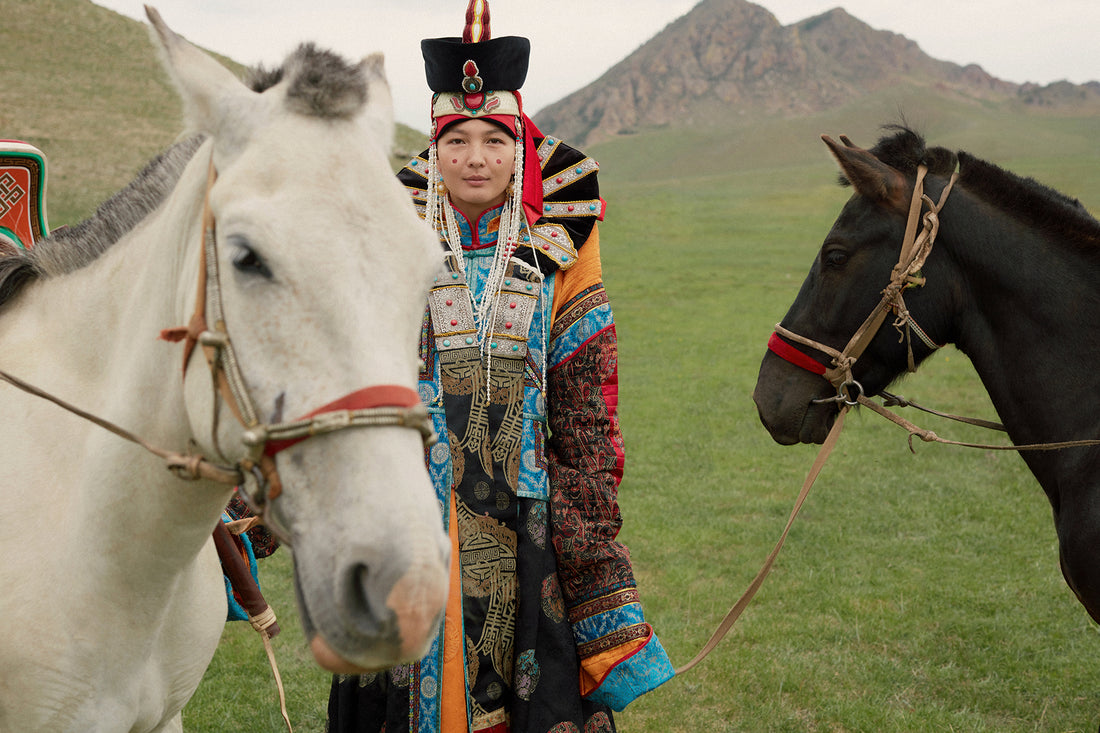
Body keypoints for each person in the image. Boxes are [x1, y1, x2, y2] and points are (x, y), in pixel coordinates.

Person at [327, 2, 675, 730]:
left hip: (527, 540)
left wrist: (589, 546)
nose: (476, 158)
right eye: (458, 140)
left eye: (494, 138)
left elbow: (586, 413)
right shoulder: (387, 246)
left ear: (519, 147)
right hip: (408, 531)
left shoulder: (564, 249)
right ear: (435, 147)